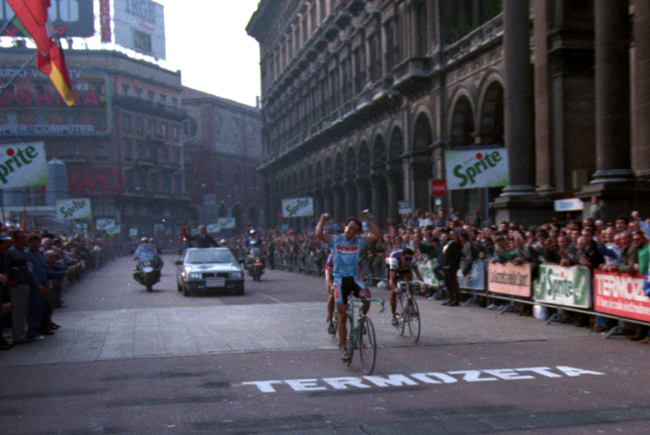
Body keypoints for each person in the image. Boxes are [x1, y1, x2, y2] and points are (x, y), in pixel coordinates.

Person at [316, 211, 381, 363]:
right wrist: (322, 219)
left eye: (355, 230)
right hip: (339, 280)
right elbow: (319, 234)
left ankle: (361, 321)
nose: (352, 232)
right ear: (345, 227)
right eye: (350, 228)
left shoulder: (359, 241)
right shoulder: (335, 240)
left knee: (367, 297)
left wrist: (370, 219)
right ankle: (344, 346)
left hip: (353, 278)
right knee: (342, 315)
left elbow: (377, 235)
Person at [5, 230, 35, 344]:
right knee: (18, 310)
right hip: (17, 284)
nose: (24, 240)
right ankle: (18, 336)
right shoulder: (12, 252)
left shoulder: (23, 251)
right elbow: (9, 267)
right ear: (15, 239)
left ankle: (22, 333)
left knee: (23, 310)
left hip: (25, 282)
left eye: (24, 237)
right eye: (21, 238)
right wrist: (12, 278)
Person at [386, 247, 424, 325]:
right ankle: (393, 315)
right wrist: (396, 289)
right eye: (406, 259)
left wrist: (422, 285)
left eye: (410, 259)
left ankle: (411, 305)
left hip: (403, 269)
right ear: (402, 257)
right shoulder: (394, 260)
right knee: (393, 291)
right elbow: (391, 280)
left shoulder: (412, 260)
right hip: (393, 268)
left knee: (408, 281)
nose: (408, 261)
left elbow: (418, 275)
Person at [441, 228, 462, 306]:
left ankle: (456, 299)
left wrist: (452, 265)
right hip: (446, 266)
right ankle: (450, 297)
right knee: (447, 283)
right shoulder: (445, 244)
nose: (443, 236)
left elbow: (456, 256)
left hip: (451, 267)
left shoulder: (453, 244)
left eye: (445, 234)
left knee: (453, 283)